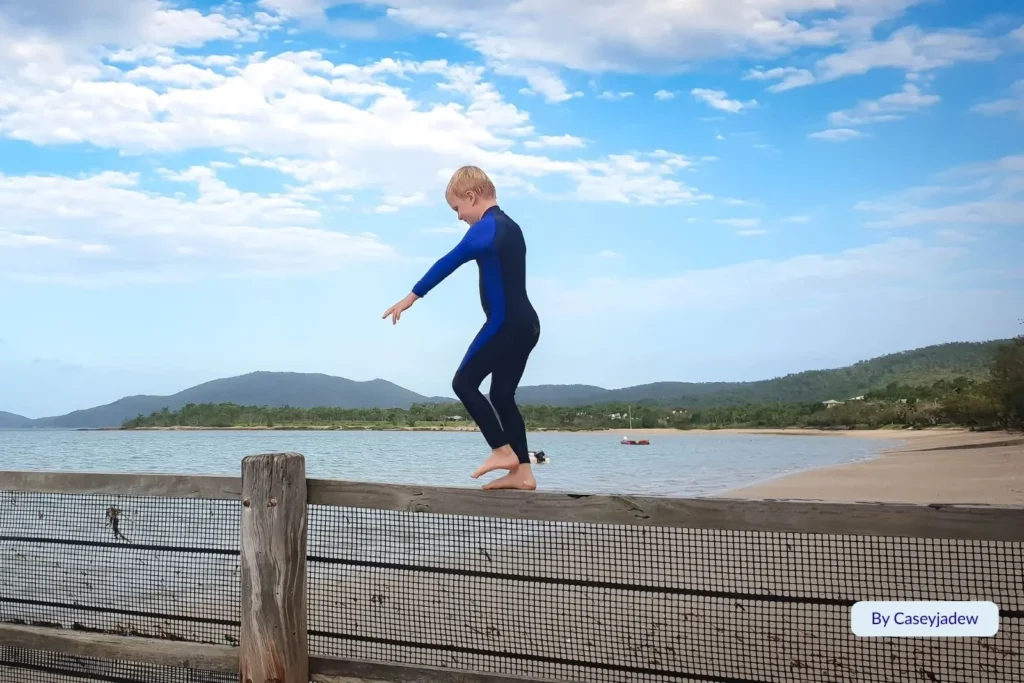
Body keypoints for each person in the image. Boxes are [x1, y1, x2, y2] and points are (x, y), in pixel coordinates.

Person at [382, 166, 541, 491]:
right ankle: (524, 472)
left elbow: (448, 261)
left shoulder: (486, 228)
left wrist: (412, 296)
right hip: (528, 324)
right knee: (501, 395)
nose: (458, 217)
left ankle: (501, 450)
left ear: (471, 196)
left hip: (506, 323)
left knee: (463, 383)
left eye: (457, 208)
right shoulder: (512, 227)